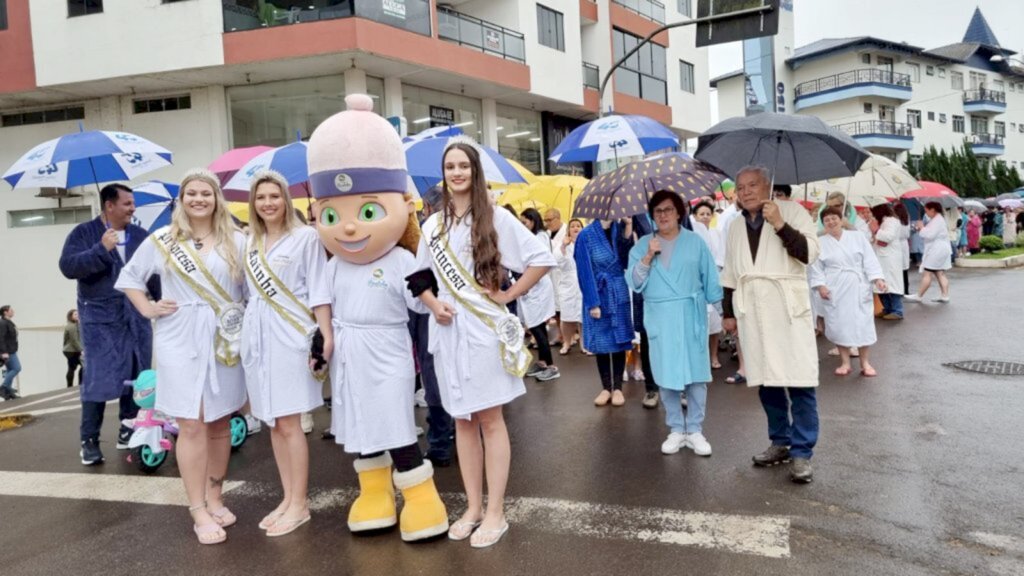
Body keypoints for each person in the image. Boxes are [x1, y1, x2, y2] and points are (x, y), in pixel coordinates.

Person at [309, 96, 449, 543]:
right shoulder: (333, 265)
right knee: (357, 423)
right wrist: (323, 339)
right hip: (349, 351)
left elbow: (421, 296)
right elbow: (323, 303)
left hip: (387, 349)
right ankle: (374, 493)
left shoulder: (400, 260)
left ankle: (422, 495)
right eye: (332, 215)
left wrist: (434, 300)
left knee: (392, 419)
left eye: (367, 212)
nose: (348, 228)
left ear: (402, 206)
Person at [410, 139, 555, 548]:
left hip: (485, 333)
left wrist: (508, 296)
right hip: (449, 334)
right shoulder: (432, 226)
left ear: (474, 172)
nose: (456, 173)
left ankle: (496, 511)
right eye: (450, 166)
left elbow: (541, 260)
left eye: (463, 166)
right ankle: (473, 507)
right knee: (461, 421)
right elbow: (419, 277)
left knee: (490, 420)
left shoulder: (494, 219)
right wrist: (434, 304)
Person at [116, 169, 247, 545]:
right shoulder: (163, 239)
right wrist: (149, 308)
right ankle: (197, 509)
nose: (199, 199)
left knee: (221, 419)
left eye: (206, 193)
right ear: (182, 199)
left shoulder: (236, 239)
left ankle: (216, 495)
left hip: (224, 335)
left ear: (216, 198)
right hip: (179, 333)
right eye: (191, 193)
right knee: (191, 422)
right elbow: (130, 279)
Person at [240, 170, 332, 537]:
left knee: (290, 423)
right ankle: (287, 495)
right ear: (253, 203)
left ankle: (300, 503)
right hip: (258, 335)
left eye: (274, 196)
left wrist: (325, 334)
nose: (267, 203)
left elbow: (319, 288)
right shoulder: (250, 242)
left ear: (285, 199)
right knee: (273, 423)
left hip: (291, 334)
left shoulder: (306, 237)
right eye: (261, 197)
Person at [720, 165, 821, 484]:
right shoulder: (735, 226)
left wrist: (780, 223)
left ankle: (802, 451)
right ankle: (780, 441)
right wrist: (728, 312)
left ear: (767, 186)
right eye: (740, 186)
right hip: (753, 310)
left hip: (786, 308)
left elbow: (808, 254)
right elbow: (731, 274)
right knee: (766, 379)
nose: (746, 191)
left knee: (800, 379)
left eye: (752, 184)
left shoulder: (793, 212)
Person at [59, 183, 158, 465]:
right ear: (109, 205)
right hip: (100, 319)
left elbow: (154, 275)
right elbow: (68, 267)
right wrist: (100, 249)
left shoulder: (140, 235)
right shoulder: (83, 233)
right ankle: (88, 440)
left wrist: (160, 304)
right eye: (127, 203)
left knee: (138, 373)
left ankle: (128, 427)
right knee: (98, 377)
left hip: (135, 315)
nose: (133, 208)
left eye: (133, 203)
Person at [627, 192, 722, 457]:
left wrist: (724, 312)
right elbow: (634, 283)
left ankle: (694, 429)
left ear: (679, 212)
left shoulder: (695, 242)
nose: (663, 215)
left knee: (697, 375)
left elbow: (711, 279)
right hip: (659, 316)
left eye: (668, 209)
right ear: (651, 215)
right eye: (657, 211)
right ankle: (676, 429)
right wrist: (647, 256)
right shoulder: (643, 245)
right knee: (666, 374)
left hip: (690, 313)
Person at [811, 207, 887, 377]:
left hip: (858, 285)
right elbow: (816, 267)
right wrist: (820, 285)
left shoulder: (857, 236)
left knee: (863, 323)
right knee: (839, 324)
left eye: (834, 218)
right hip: (835, 287)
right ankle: (845, 362)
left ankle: (865, 362)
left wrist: (878, 279)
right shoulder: (820, 241)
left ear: (841, 219)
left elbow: (869, 259)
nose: (831, 222)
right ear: (823, 223)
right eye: (827, 220)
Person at [409, 186, 454, 468]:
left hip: (433, 306)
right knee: (440, 370)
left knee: (433, 371)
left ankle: (441, 440)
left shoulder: (430, 229)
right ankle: (448, 435)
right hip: (436, 305)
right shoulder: (428, 229)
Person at [575, 217, 635, 407]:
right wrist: (593, 302)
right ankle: (606, 387)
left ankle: (617, 387)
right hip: (598, 290)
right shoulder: (585, 235)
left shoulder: (621, 229)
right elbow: (584, 269)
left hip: (619, 288)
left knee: (619, 340)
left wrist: (628, 230)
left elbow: (627, 261)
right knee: (602, 342)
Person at [517, 208, 560, 382]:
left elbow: (541, 265)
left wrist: (527, 283)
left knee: (536, 326)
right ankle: (542, 362)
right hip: (532, 286)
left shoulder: (540, 238)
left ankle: (551, 366)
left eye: (524, 222)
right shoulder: (533, 238)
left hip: (538, 286)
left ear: (533, 221)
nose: (522, 226)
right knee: (537, 325)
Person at [691, 200, 725, 369]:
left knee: (715, 325)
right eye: (701, 214)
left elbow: (721, 257)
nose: (704, 217)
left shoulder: (716, 233)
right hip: (697, 282)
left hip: (715, 278)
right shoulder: (691, 234)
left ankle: (713, 355)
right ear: (694, 216)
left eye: (708, 214)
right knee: (699, 325)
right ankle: (701, 359)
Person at [906, 202, 951, 304]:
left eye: (927, 211)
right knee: (940, 273)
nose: (926, 213)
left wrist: (922, 228)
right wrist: (922, 228)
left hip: (937, 250)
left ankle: (919, 295)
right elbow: (930, 232)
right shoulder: (937, 219)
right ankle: (945, 295)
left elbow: (930, 235)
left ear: (933, 210)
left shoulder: (938, 220)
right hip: (939, 249)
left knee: (928, 272)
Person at [554, 218, 584, 355]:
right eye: (572, 226)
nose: (576, 228)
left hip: (583, 284)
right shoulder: (562, 245)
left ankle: (585, 344)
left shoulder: (586, 245)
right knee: (567, 317)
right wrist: (563, 247)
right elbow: (558, 262)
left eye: (578, 226)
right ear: (568, 230)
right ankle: (566, 342)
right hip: (568, 283)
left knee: (583, 316)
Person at [869, 204, 905, 321]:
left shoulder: (891, 221)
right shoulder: (883, 221)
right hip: (882, 257)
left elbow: (888, 237)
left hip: (890, 258)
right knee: (880, 284)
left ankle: (897, 311)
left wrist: (876, 230)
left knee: (893, 284)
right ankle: (887, 309)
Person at [0, 306, 20, 400]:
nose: (13, 311)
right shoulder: (3, 323)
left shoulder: (8, 322)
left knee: (10, 370)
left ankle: (8, 392)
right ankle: (3, 387)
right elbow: (1, 338)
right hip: (8, 351)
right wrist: (4, 352)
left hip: (11, 349)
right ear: (5, 312)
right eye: (11, 310)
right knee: (17, 368)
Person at [63, 309, 83, 388]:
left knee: (71, 367)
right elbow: (74, 340)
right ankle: (80, 384)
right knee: (84, 366)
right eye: (75, 314)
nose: (77, 316)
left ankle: (70, 386)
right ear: (70, 316)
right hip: (72, 350)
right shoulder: (72, 326)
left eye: (78, 314)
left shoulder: (74, 325)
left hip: (69, 350)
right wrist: (81, 350)